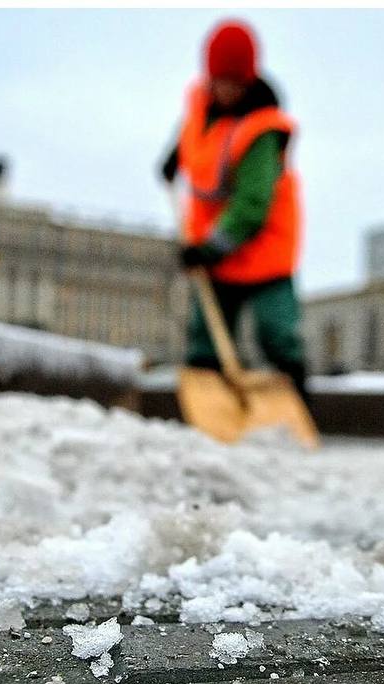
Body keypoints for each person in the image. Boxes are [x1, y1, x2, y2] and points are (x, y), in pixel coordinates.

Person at [161, 18, 308, 402]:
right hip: (217, 250)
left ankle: (298, 402)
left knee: (277, 334)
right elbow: (192, 134)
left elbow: (252, 205)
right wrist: (173, 157)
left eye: (235, 83)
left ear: (249, 79)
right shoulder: (200, 105)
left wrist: (208, 249)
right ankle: (211, 409)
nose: (226, 91)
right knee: (205, 339)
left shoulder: (262, 130)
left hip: (263, 251)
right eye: (219, 81)